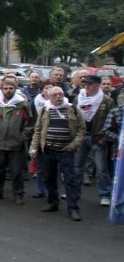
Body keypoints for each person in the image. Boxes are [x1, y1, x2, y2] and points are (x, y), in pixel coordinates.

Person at [30, 86, 85, 221]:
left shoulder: (72, 109)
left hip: (66, 151)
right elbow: (38, 130)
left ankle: (73, 208)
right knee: (49, 178)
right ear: (48, 97)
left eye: (60, 94)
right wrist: (33, 147)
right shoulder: (45, 110)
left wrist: (73, 145)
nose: (58, 97)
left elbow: (81, 130)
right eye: (54, 95)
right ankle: (53, 202)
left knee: (70, 180)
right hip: (48, 150)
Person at [0, 77, 32, 204]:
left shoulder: (23, 104)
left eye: (10, 88)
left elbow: (29, 124)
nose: (8, 91)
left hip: (15, 144)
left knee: (16, 171)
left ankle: (18, 194)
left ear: (15, 89)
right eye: (5, 88)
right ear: (2, 89)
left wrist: (22, 137)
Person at [72, 75, 115, 204]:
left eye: (90, 84)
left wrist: (105, 138)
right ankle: (74, 192)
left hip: (98, 138)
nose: (87, 86)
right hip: (81, 136)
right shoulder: (78, 98)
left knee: (101, 169)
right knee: (77, 167)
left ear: (97, 85)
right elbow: (72, 117)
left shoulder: (107, 101)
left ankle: (104, 195)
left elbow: (112, 121)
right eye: (85, 84)